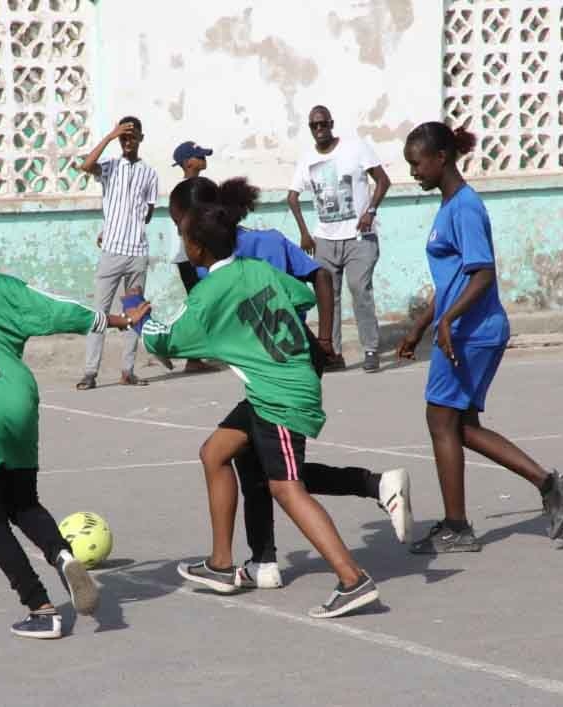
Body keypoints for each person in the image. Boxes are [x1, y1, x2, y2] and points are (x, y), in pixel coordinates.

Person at [0, 198, 141, 639]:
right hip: (16, 398)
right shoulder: (1, 286)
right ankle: (63, 555)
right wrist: (117, 320)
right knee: (23, 502)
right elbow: (59, 311)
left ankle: (40, 607)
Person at [169, 176, 411, 589]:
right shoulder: (261, 243)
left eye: (179, 224)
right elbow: (315, 282)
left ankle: (344, 562)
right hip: (291, 362)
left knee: (281, 478)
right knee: (228, 454)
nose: (180, 235)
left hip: (280, 377)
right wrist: (322, 340)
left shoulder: (223, 259)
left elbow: (194, 322)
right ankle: (245, 561)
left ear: (196, 224)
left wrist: (137, 321)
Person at [142, 202, 379, 619]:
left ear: (197, 248)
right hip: (276, 384)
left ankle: (352, 578)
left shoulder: (208, 293)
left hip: (280, 394)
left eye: (183, 238)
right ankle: (220, 564)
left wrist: (137, 319)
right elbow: (301, 295)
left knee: (285, 487)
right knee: (215, 452)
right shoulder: (257, 269)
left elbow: (167, 340)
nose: (182, 245)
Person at [397, 121, 563, 554]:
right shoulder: (450, 206)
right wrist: (422, 324)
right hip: (464, 329)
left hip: (470, 333)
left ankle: (458, 527)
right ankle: (550, 485)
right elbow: (454, 280)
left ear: (441, 158)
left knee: (440, 420)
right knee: (459, 425)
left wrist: (447, 321)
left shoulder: (464, 207)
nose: (413, 172)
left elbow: (482, 273)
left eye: (417, 164)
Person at [287, 105, 391, 373]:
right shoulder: (307, 158)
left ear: (331, 124)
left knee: (359, 289)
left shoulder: (356, 148)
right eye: (314, 125)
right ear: (310, 129)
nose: (319, 129)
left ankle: (370, 349)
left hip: (359, 236)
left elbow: (383, 181)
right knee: (327, 296)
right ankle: (332, 353)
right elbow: (292, 197)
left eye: (323, 124)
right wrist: (304, 233)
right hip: (324, 239)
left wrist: (370, 211)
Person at [76, 116, 159, 390]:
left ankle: (128, 370)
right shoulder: (110, 166)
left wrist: (122, 222)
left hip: (137, 252)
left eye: (132, 136)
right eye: (123, 137)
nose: (127, 141)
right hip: (112, 251)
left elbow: (147, 213)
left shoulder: (150, 174)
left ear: (141, 139)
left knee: (135, 312)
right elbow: (86, 165)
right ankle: (90, 371)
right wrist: (110, 135)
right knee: (99, 312)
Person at [171, 140, 216, 374]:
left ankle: (196, 355)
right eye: (200, 156)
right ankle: (192, 356)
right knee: (199, 305)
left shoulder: (198, 188)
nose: (204, 159)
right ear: (188, 162)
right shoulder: (188, 192)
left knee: (203, 304)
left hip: (196, 255)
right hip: (190, 257)